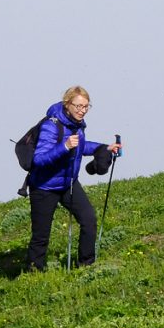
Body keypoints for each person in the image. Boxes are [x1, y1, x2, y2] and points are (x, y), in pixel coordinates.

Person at [26, 86, 122, 271]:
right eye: (78, 106)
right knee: (41, 235)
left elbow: (81, 146)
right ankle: (33, 273)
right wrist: (64, 146)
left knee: (89, 219)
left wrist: (106, 148)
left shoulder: (77, 125)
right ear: (67, 104)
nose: (82, 110)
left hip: (68, 183)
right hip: (44, 186)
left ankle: (86, 265)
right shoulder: (51, 125)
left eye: (86, 106)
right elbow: (39, 159)